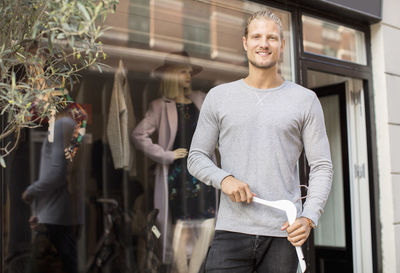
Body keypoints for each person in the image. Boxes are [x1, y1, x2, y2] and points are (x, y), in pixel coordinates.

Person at [187, 9, 333, 273]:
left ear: (282, 45)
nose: (263, 44)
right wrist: (225, 179)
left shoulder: (305, 100)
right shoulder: (219, 97)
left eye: (271, 38)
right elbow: (196, 157)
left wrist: (309, 216)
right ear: (245, 43)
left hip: (283, 233)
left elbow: (322, 166)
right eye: (256, 36)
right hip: (231, 232)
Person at [132, 51, 218, 272]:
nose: (188, 75)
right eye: (183, 71)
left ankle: (194, 269)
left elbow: (222, 121)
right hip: (178, 175)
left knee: (208, 223)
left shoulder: (202, 98)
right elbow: (138, 135)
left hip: (204, 173)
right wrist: (166, 155)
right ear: (171, 75)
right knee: (182, 227)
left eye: (189, 71)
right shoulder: (160, 105)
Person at [22, 111, 79, 273]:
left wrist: (31, 191)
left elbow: (57, 174)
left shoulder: (62, 125)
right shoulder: (67, 127)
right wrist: (37, 211)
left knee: (38, 266)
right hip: (55, 213)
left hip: (53, 216)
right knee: (67, 263)